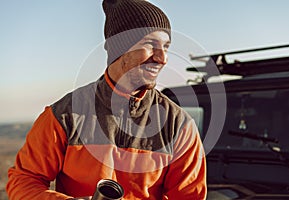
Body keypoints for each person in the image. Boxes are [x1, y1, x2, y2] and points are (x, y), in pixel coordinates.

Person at [6, 0, 207, 199]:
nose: (162, 58)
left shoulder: (179, 125)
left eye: (166, 46)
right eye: (150, 44)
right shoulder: (63, 116)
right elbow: (23, 181)